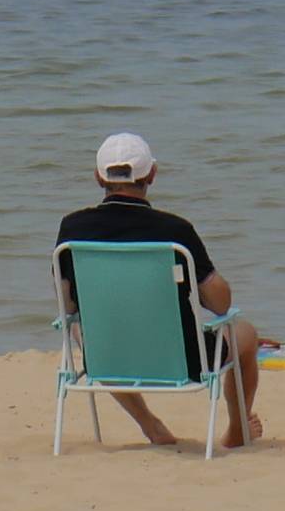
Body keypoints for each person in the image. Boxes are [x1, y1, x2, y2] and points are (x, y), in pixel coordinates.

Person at [54, 133, 264, 448]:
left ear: (99, 177)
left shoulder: (72, 229)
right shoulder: (175, 231)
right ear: (152, 173)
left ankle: (149, 425)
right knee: (245, 332)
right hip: (182, 360)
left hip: (108, 358)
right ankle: (237, 428)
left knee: (86, 330)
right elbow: (220, 304)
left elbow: (67, 305)